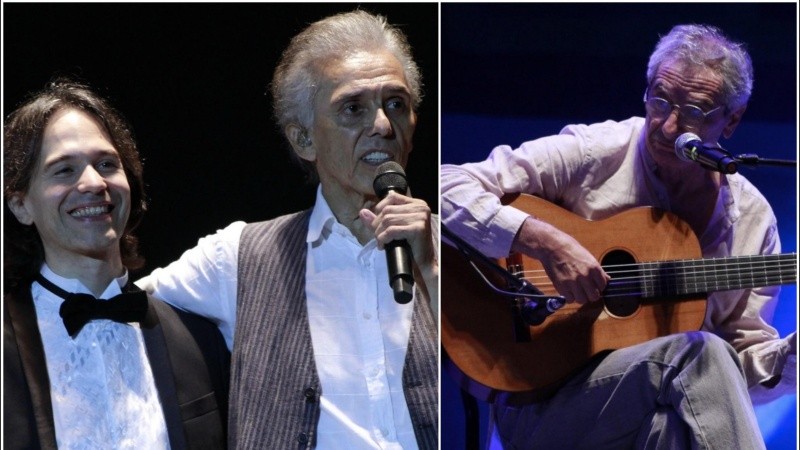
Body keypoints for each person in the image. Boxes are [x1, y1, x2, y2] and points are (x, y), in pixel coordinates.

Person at [441, 24, 795, 448]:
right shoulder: (596, 152)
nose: (668, 126)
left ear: (731, 120)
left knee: (676, 425)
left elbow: (734, 377)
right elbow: (445, 185)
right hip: (540, 403)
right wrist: (545, 242)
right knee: (698, 352)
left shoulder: (753, 220)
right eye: (660, 100)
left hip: (642, 415)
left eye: (695, 112)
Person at [137, 10, 438, 449]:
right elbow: (112, 310)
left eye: (396, 103)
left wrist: (431, 268)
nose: (382, 126)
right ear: (303, 140)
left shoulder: (453, 246)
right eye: (353, 108)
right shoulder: (239, 257)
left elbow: (505, 379)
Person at [3, 79, 230, 449]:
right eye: (64, 170)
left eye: (107, 164)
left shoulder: (197, 337)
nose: (93, 182)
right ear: (21, 205)